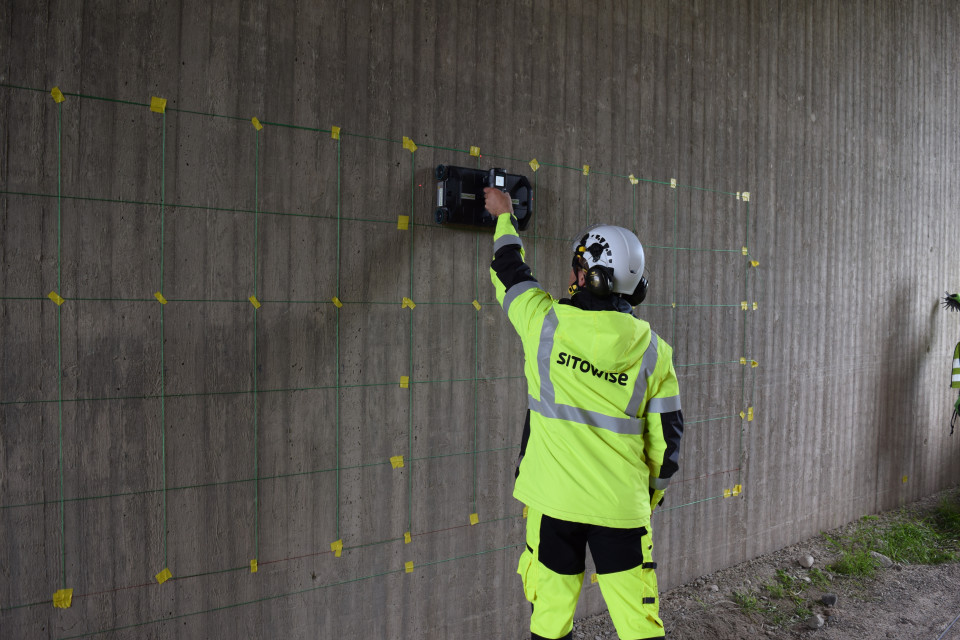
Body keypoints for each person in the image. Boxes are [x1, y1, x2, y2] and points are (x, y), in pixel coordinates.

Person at [484, 187, 683, 640]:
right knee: (639, 627)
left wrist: (504, 216)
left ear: (588, 275)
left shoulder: (544, 324)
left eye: (578, 264)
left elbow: (510, 270)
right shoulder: (654, 353)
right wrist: (643, 499)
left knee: (550, 621)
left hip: (553, 504)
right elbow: (667, 447)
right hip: (621, 509)